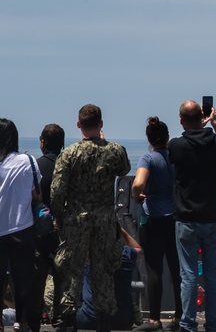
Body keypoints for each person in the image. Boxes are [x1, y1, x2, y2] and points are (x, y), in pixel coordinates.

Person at [50, 104, 131, 332]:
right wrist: (106, 143)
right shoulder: (114, 151)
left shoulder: (69, 154)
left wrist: (59, 217)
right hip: (104, 219)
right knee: (103, 270)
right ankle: (104, 320)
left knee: (72, 269)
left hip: (76, 220)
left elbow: (57, 191)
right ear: (101, 125)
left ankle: (68, 320)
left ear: (78, 125)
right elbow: (124, 169)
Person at [168, 99, 216, 332]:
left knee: (188, 275)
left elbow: (175, 156)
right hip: (213, 217)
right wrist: (215, 123)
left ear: (181, 121)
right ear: (203, 116)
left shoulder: (176, 145)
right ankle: (213, 323)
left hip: (186, 218)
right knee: (212, 275)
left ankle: (188, 324)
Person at [131, 117, 181, 332]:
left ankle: (154, 319)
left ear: (149, 139)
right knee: (178, 269)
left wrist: (137, 196)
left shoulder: (148, 158)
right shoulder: (176, 158)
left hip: (153, 220)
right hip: (176, 218)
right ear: (167, 137)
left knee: (154, 270)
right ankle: (180, 316)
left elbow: (138, 183)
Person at [0, 118, 39, 332]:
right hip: (22, 227)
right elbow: (35, 194)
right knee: (23, 279)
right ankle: (23, 323)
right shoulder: (28, 161)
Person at [29, 123, 64, 332]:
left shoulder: (35, 167)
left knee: (37, 281)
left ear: (42, 142)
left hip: (39, 232)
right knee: (62, 280)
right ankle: (62, 320)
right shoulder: (65, 166)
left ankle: (33, 322)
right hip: (64, 232)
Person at [75, 226, 142, 330]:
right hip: (123, 320)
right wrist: (120, 228)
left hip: (90, 318)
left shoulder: (90, 254)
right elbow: (138, 248)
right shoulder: (126, 254)